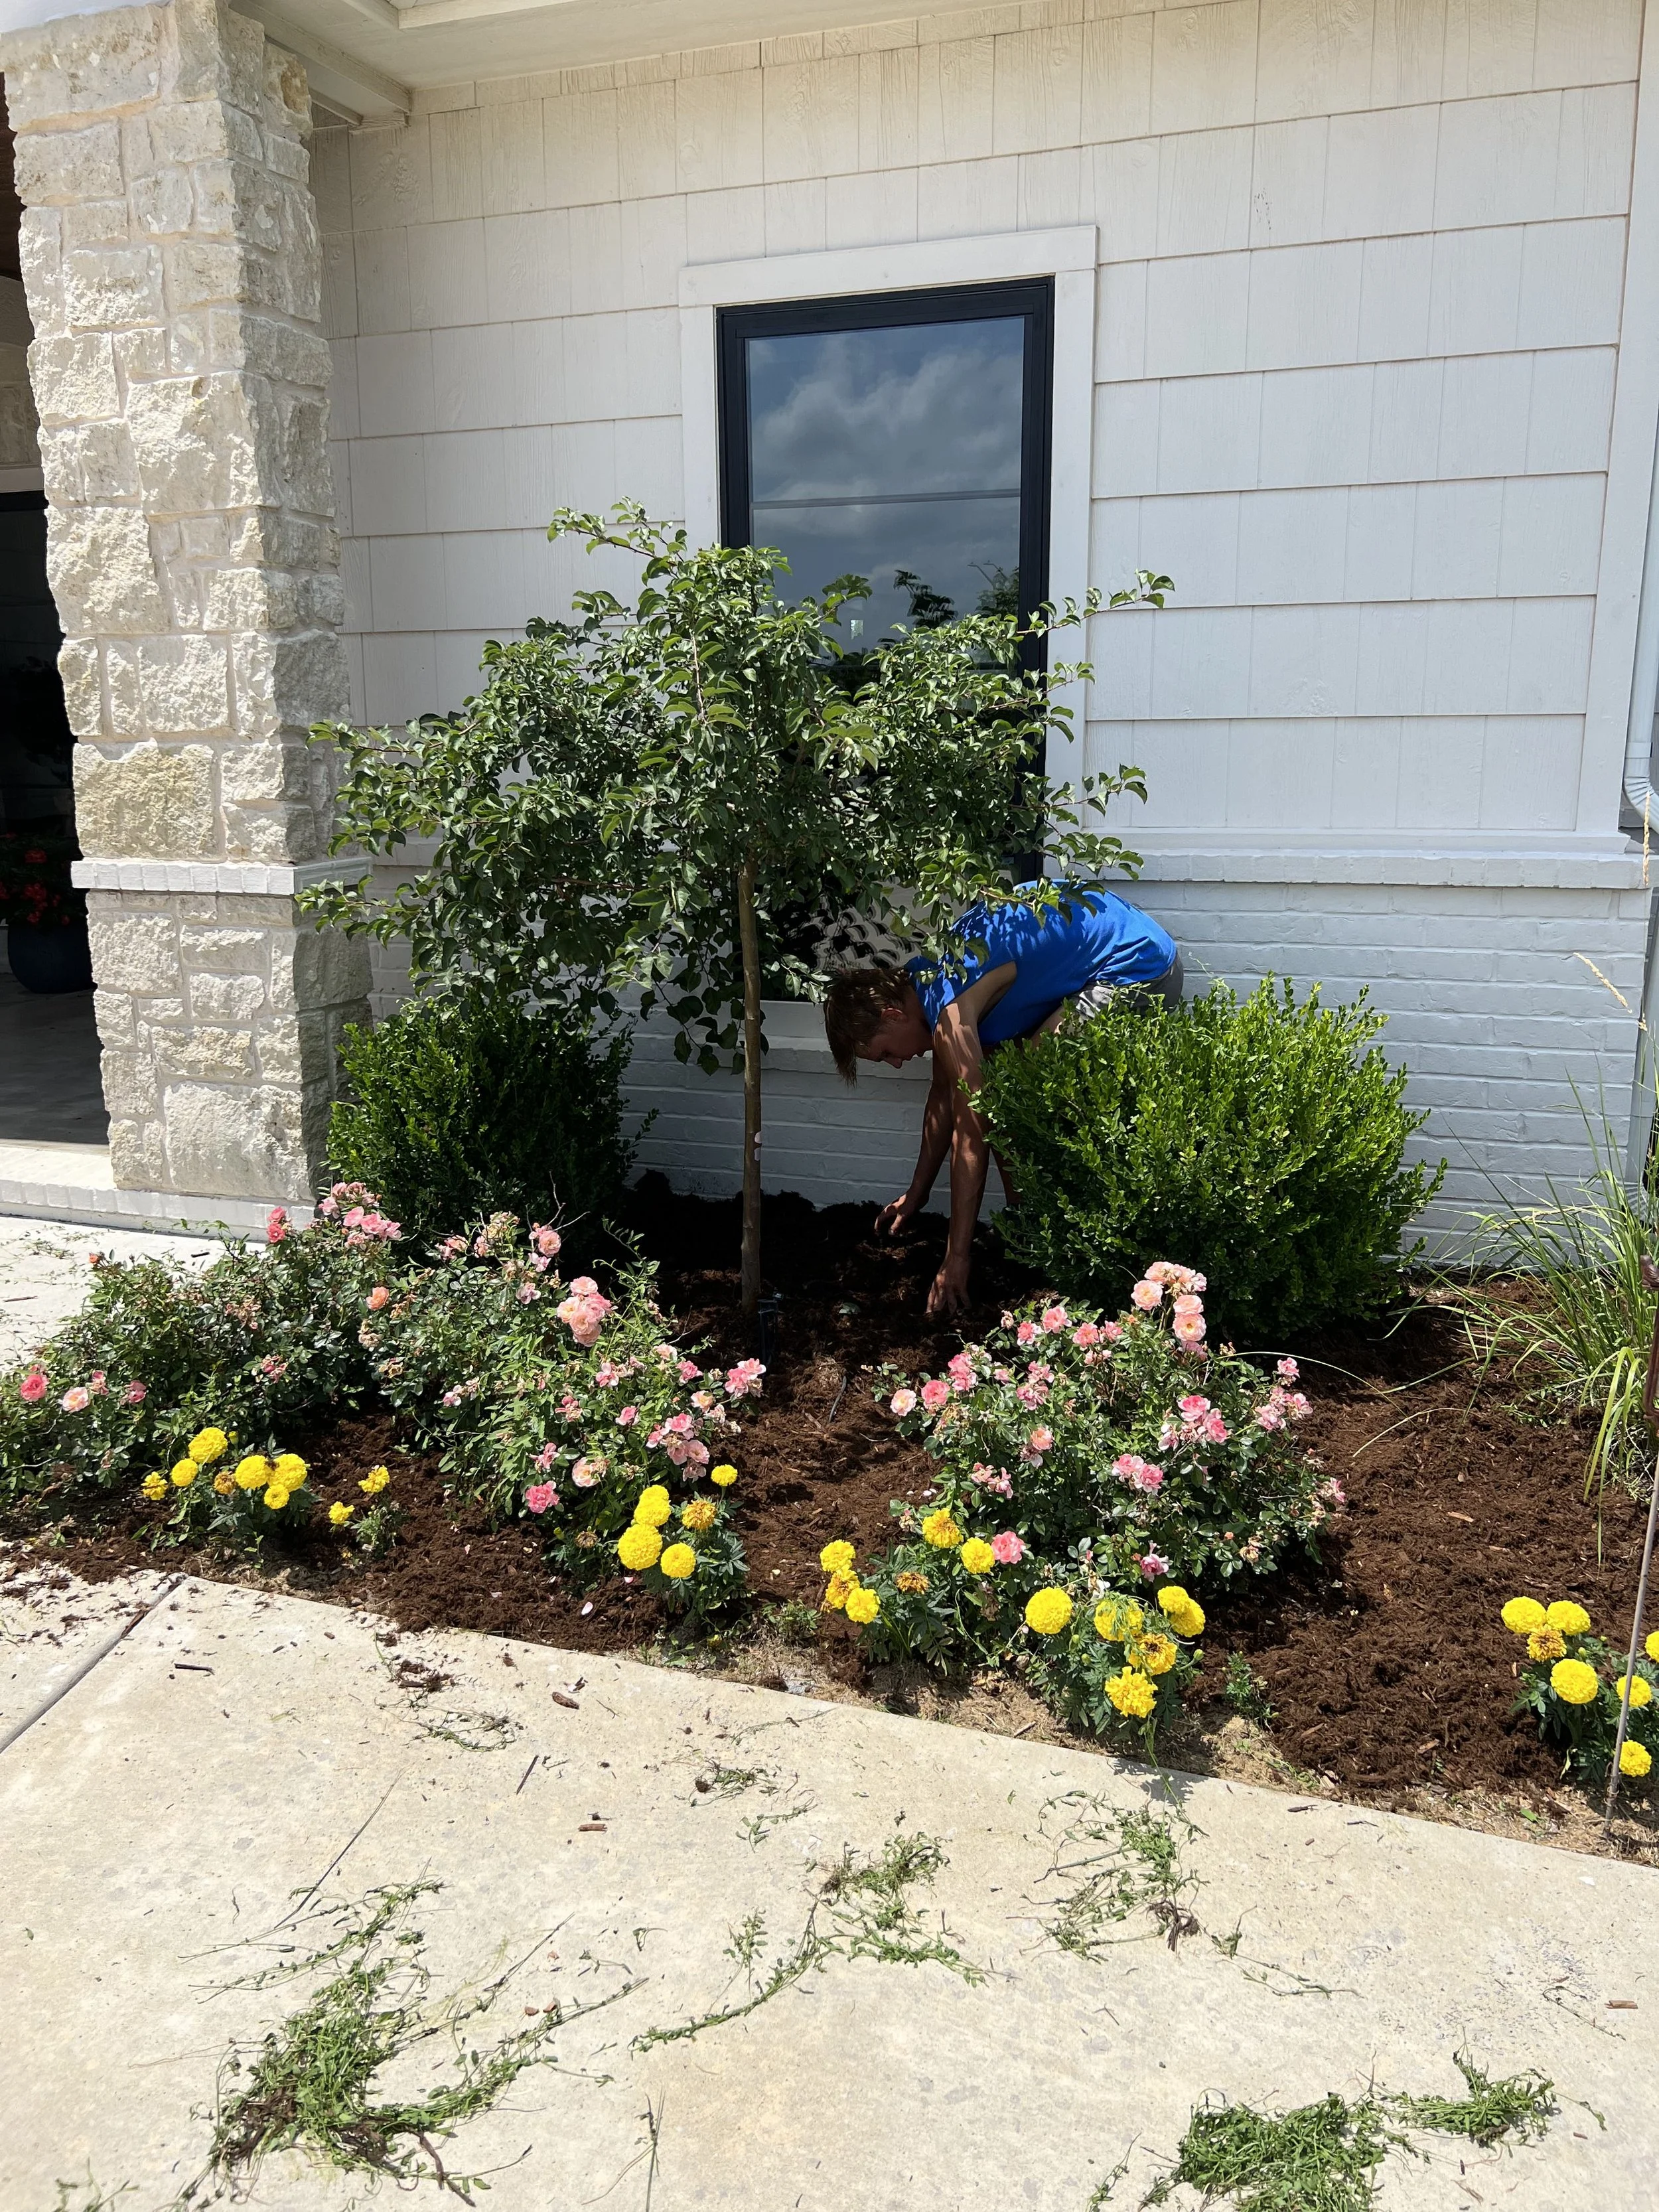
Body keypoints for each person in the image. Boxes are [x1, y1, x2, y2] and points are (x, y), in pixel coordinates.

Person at [824, 885, 1181, 1315]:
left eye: (884, 1053)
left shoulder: (949, 1008)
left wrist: (957, 1258)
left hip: (1139, 967)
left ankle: (1053, 1255)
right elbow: (942, 1095)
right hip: (1111, 957)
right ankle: (1030, 1238)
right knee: (1003, 1088)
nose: (897, 1064)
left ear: (892, 1014)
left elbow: (973, 1132)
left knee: (1011, 1099)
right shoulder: (929, 978)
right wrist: (915, 1195)